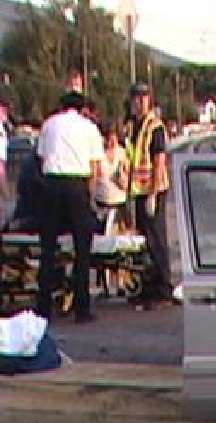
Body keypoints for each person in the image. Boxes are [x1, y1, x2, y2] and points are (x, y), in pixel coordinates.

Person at [36, 90, 104, 323]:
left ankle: (43, 306)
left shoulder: (48, 125)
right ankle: (81, 308)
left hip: (52, 185)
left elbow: (42, 159)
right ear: (82, 108)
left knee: (47, 249)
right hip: (77, 186)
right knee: (82, 251)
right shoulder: (89, 128)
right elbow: (95, 169)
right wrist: (90, 198)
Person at [124, 81, 172, 308]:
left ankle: (163, 288)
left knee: (156, 241)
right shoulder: (134, 126)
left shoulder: (155, 127)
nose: (139, 102)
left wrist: (153, 194)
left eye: (143, 98)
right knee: (143, 243)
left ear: (149, 100)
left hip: (154, 190)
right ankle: (148, 287)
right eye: (136, 98)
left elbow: (159, 162)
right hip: (139, 191)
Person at [93, 120, 131, 296]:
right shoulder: (98, 154)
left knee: (119, 248)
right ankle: (105, 285)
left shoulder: (122, 154)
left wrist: (123, 177)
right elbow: (93, 176)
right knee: (101, 247)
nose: (111, 141)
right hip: (102, 204)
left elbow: (127, 178)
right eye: (108, 138)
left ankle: (121, 283)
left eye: (114, 138)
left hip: (119, 203)